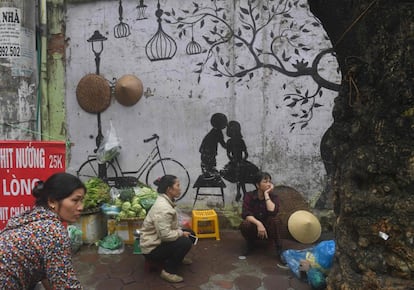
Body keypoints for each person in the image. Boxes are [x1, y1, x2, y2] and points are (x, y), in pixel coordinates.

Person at [0, 172, 85, 290]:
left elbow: (48, 272)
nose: (81, 207)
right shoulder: (54, 232)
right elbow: (65, 285)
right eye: (75, 200)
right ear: (52, 202)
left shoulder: (27, 217)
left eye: (81, 200)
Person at [140, 175, 196, 283]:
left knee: (191, 233)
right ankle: (168, 271)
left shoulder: (165, 200)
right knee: (185, 242)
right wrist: (180, 233)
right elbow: (165, 236)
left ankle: (177, 258)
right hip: (151, 249)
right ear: (169, 189)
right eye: (177, 185)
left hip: (158, 240)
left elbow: (168, 228)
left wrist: (181, 232)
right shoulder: (163, 208)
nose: (180, 188)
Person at [239, 171, 283, 257]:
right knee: (245, 224)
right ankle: (250, 244)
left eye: (269, 181)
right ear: (257, 185)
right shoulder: (249, 196)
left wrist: (266, 194)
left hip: (268, 228)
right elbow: (245, 213)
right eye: (265, 181)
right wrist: (258, 224)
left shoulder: (274, 197)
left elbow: (272, 211)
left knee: (275, 220)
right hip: (255, 228)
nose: (268, 184)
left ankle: (279, 248)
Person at [199, 112, 228, 177]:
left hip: (206, 149)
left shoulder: (214, 131)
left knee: (206, 161)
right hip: (209, 149)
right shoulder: (218, 132)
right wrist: (229, 147)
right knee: (209, 161)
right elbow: (223, 144)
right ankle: (209, 172)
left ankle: (208, 171)